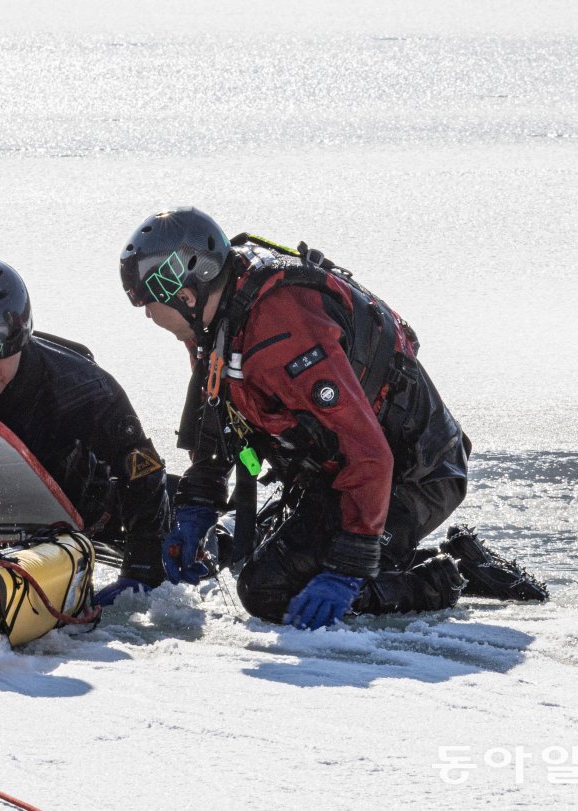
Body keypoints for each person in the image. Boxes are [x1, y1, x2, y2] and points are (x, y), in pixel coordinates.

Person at [118, 207, 546, 629]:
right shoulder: (217, 324)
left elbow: (369, 454)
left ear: (186, 292)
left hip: (412, 474)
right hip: (337, 473)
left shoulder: (280, 329)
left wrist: (349, 566)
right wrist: (198, 506)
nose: (147, 315)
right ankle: (425, 556)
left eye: (148, 303)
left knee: (267, 590)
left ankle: (445, 579)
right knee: (238, 549)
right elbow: (220, 416)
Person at [0, 258, 170, 601]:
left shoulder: (83, 387)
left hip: (96, 516)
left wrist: (142, 568)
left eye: (3, 355)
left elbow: (144, 469)